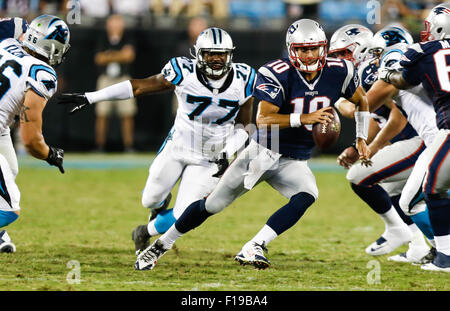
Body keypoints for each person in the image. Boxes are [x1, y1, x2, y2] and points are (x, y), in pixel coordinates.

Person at [132, 19, 371, 271]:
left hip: (294, 159)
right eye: (301, 49)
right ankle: (160, 245)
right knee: (212, 204)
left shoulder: (341, 70)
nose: (308, 54)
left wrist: (361, 139)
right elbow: (262, 119)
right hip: (262, 153)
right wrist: (303, 118)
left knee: (307, 195)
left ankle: (255, 245)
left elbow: (362, 100)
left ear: (323, 47)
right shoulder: (276, 72)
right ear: (291, 49)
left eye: (313, 48)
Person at [56, 27, 255, 256]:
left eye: (222, 54)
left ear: (230, 54)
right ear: (199, 54)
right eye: (211, 53)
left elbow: (243, 127)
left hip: (211, 156)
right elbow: (139, 86)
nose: (217, 59)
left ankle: (144, 231)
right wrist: (91, 97)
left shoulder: (244, 78)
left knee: (184, 215)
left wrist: (227, 153)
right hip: (179, 145)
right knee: (149, 199)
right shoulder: (183, 71)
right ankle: (159, 205)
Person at [331, 24, 437, 264]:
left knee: (363, 178)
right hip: (421, 138)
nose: (340, 59)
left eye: (344, 53)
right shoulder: (369, 70)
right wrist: (361, 145)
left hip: (422, 140)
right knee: (393, 192)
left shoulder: (373, 70)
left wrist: (338, 101)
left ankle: (439, 247)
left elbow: (372, 111)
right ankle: (419, 247)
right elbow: (382, 118)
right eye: (336, 55)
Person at [378, 2, 450, 272]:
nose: (426, 31)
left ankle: (445, 257)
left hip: (446, 131)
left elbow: (403, 80)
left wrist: (385, 73)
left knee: (431, 189)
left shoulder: (424, 51)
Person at [0, 15, 69, 253]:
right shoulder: (42, 73)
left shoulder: (6, 43)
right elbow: (30, 141)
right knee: (8, 208)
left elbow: (10, 26)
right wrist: (50, 154)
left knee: (10, 168)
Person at [94, 14, 136, 153]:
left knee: (127, 113)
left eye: (118, 23)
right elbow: (99, 58)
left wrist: (109, 55)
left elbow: (129, 56)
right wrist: (119, 55)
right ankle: (100, 146)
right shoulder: (102, 38)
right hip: (106, 79)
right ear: (108, 25)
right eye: (113, 23)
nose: (115, 27)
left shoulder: (128, 38)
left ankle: (128, 146)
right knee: (102, 113)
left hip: (123, 78)